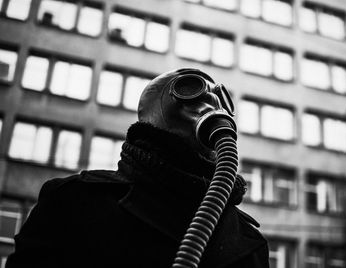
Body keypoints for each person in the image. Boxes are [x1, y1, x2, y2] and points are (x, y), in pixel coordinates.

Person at [6, 68, 269, 268]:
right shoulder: (73, 201)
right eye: (190, 89)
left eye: (219, 95)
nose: (213, 101)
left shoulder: (248, 239)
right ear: (155, 115)